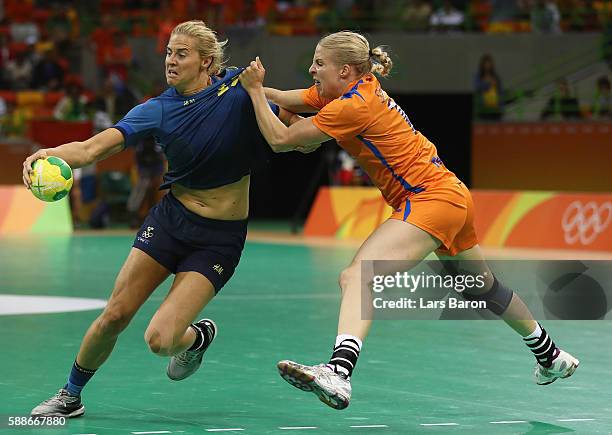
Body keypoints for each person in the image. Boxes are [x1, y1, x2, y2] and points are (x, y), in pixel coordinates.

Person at [239, 31, 580, 411]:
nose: (311, 68)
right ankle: (551, 355)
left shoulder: (352, 106)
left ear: (345, 70)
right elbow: (290, 99)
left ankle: (338, 372)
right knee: (483, 289)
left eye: (319, 62)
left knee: (357, 276)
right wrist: (248, 85)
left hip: (428, 199)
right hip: (451, 194)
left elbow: (283, 139)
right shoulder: (352, 89)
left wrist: (253, 93)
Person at [24, 20, 308, 418]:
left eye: (181, 53)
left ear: (206, 61)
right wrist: (49, 152)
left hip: (218, 239)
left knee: (160, 340)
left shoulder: (241, 90)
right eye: (168, 53)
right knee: (115, 314)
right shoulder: (158, 109)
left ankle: (195, 340)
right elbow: (92, 149)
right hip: (171, 222)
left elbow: (296, 116)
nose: (170, 62)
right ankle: (70, 394)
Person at [474, 54, 504, 121]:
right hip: (484, 109)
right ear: (482, 65)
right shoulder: (479, 76)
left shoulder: (496, 76)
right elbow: (477, 87)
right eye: (486, 64)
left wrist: (501, 107)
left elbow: (500, 92)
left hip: (495, 109)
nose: (488, 66)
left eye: (489, 63)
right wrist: (488, 83)